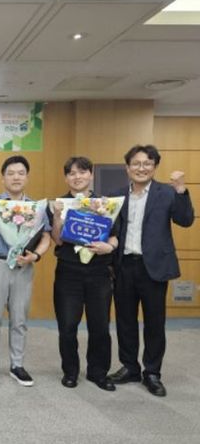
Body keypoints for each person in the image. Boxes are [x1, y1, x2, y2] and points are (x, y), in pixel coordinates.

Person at [109, 145, 194, 397]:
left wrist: (181, 190)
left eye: (147, 163)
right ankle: (130, 367)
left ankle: (152, 372)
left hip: (154, 267)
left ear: (155, 167)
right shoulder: (116, 195)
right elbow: (109, 228)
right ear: (127, 168)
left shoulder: (166, 193)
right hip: (124, 265)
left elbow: (185, 220)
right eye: (136, 163)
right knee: (125, 320)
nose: (141, 168)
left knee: (154, 322)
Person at [0, 155, 50, 387]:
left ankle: (17, 365)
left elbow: (46, 237)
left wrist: (35, 256)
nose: (16, 177)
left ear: (27, 177)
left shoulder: (36, 207)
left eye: (20, 173)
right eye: (11, 173)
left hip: (23, 265)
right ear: (3, 178)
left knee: (19, 318)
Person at [49, 157, 117, 391]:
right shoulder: (59, 204)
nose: (77, 177)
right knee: (67, 326)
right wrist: (57, 216)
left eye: (82, 172)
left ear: (91, 174)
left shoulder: (105, 204)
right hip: (69, 271)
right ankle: (70, 371)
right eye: (71, 173)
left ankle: (98, 372)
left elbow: (115, 236)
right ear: (66, 177)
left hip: (99, 271)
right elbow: (57, 240)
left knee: (100, 326)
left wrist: (110, 247)